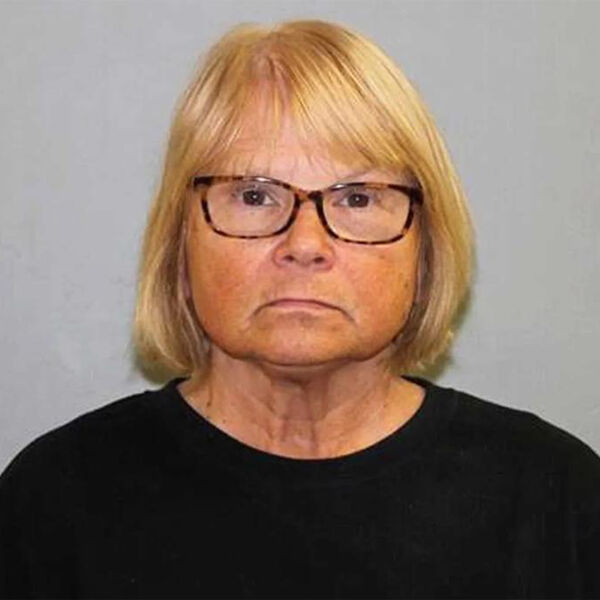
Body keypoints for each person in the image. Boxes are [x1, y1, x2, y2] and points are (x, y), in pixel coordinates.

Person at [0, 19, 598, 599]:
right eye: (253, 195)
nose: (305, 244)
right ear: (180, 244)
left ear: (424, 249)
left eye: (357, 198)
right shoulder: (52, 506)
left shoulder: (557, 500)